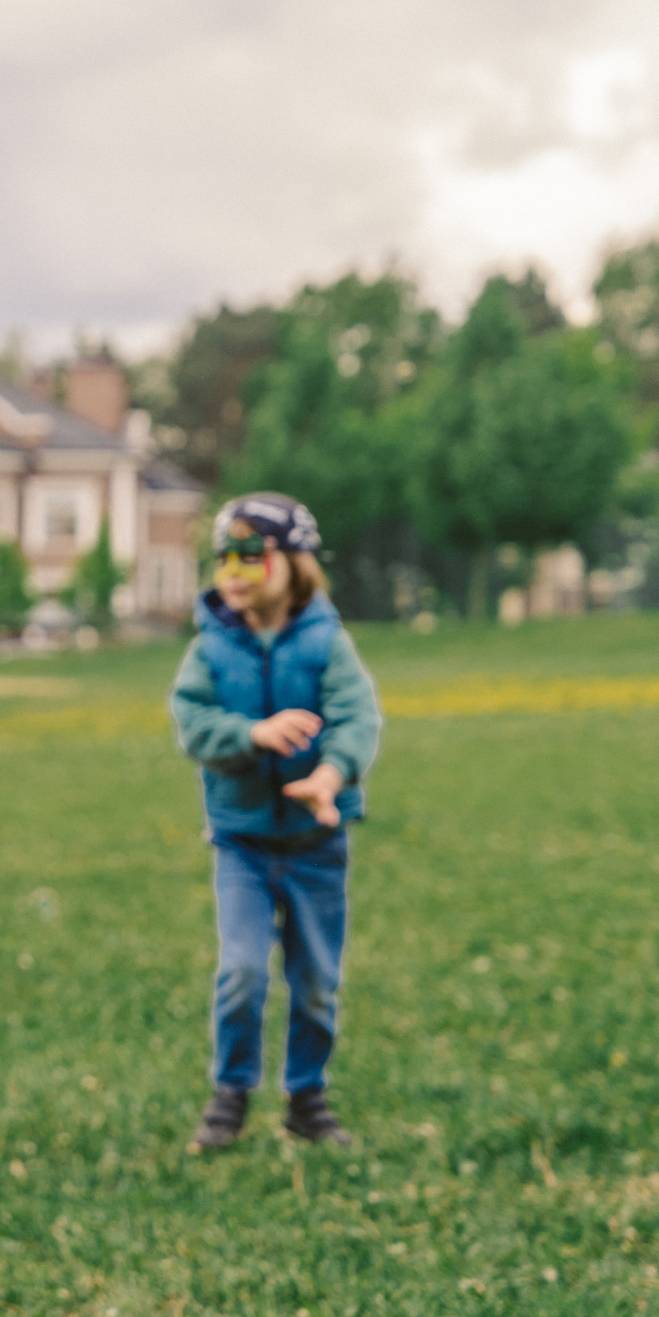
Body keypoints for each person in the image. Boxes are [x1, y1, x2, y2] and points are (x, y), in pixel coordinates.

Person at [168, 492, 382, 1154]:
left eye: (252, 556)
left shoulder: (327, 641)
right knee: (242, 973)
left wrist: (330, 775)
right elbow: (193, 722)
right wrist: (252, 733)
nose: (233, 570)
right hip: (243, 844)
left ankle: (307, 1097)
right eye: (224, 557)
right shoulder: (211, 647)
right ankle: (230, 1094)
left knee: (317, 981)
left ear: (295, 563)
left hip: (318, 841)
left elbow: (357, 716)